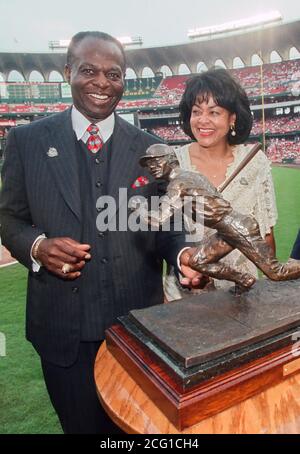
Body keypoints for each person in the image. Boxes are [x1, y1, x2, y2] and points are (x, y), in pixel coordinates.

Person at [0, 31, 200, 434]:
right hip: (62, 332)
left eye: (114, 73)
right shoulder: (27, 140)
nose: (102, 83)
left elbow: (172, 226)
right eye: (89, 71)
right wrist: (37, 247)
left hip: (139, 330)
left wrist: (183, 257)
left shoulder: (154, 150)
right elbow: (9, 218)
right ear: (68, 71)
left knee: (138, 432)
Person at [164, 68, 278, 301]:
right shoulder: (174, 163)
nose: (203, 120)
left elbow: (266, 236)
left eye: (214, 112)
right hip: (186, 297)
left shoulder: (255, 163)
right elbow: (165, 236)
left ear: (232, 118)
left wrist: (267, 291)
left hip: (244, 293)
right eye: (196, 111)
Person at [137, 144, 300, 289]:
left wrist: (140, 207)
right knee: (198, 262)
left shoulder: (177, 184)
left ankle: (244, 279)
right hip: (226, 229)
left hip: (237, 227)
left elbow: (157, 220)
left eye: (156, 161)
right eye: (149, 164)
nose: (152, 167)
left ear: (171, 159)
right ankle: (243, 279)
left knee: (277, 273)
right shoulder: (192, 176)